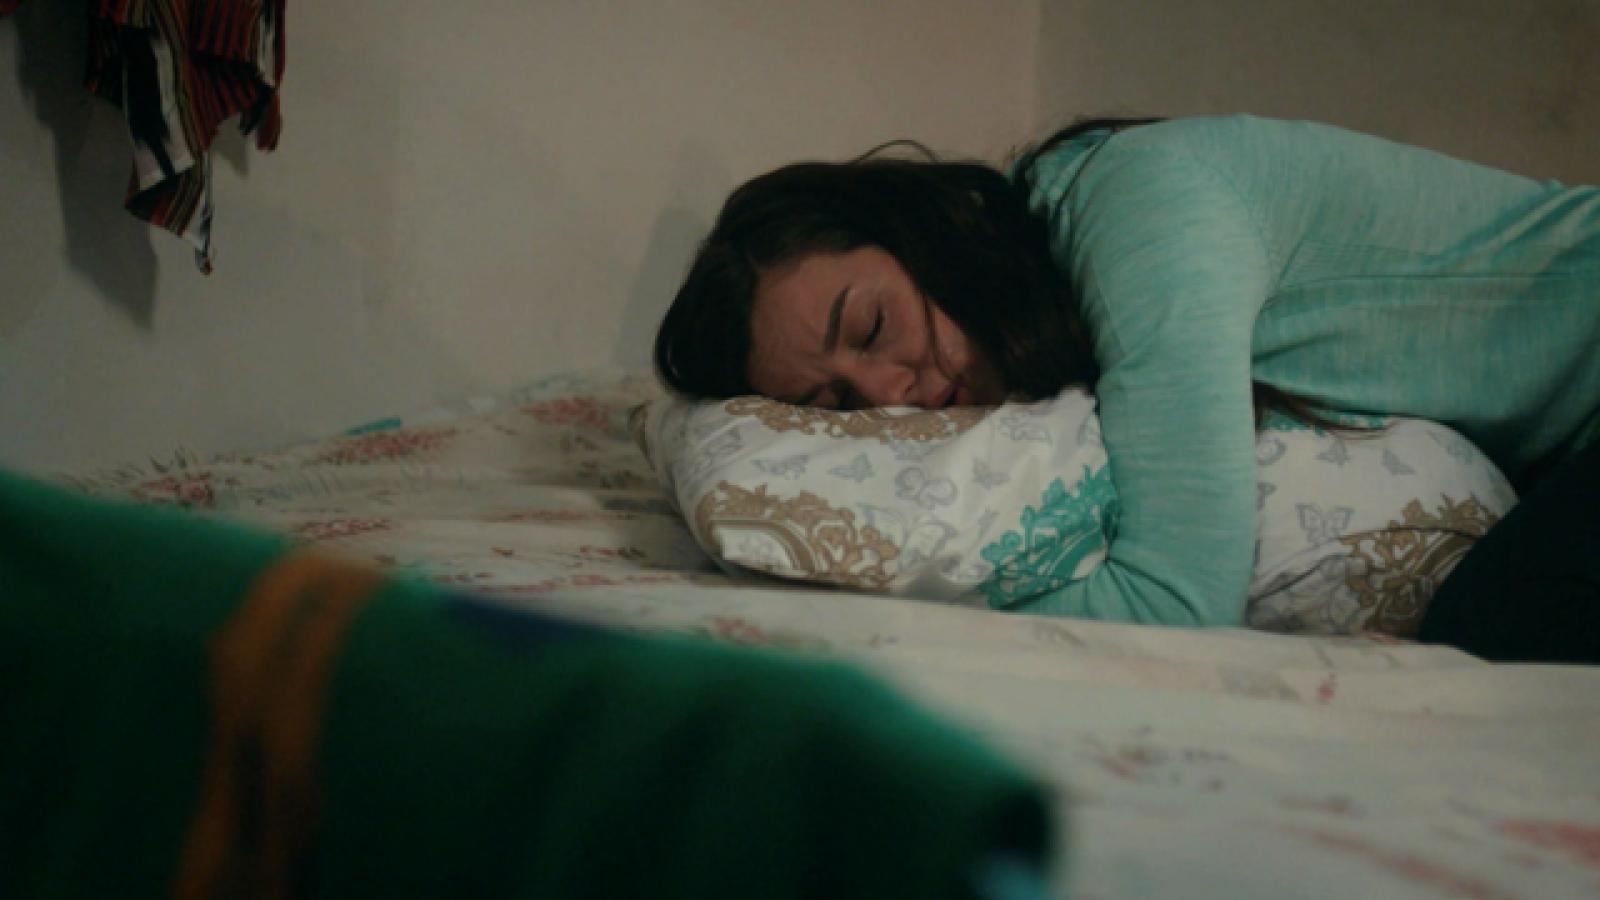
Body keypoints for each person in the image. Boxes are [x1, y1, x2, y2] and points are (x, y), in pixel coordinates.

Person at [653, 115, 1600, 664]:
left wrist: (878, 636)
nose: (891, 396)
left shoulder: (1138, 219)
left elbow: (1179, 602)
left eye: (871, 328)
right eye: (839, 408)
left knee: (1491, 632)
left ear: (917, 231)